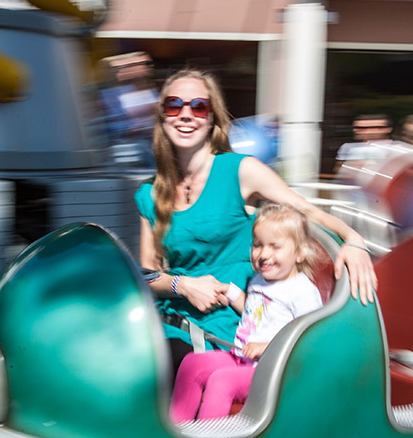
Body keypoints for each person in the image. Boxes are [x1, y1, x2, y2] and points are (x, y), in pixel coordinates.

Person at [135, 68, 376, 371]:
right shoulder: (149, 193)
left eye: (198, 106)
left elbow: (308, 211)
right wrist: (182, 285)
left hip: (229, 325)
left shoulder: (241, 171)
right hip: (167, 319)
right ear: (162, 116)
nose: (186, 114)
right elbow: (147, 275)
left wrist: (354, 240)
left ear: (212, 118)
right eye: (174, 105)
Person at [168, 203, 323, 422]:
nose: (264, 254)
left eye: (275, 247)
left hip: (272, 372)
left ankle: (210, 437)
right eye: (258, 245)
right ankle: (176, 426)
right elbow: (254, 310)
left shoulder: (302, 291)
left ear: (299, 253)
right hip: (241, 358)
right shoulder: (261, 280)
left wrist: (266, 346)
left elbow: (309, 339)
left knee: (222, 381)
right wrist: (230, 292)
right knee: (193, 364)